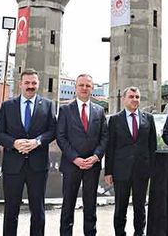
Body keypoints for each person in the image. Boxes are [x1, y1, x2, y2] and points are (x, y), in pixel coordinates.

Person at [0, 68, 57, 236]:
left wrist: (37, 142)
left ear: (38, 84)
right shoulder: (8, 106)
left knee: (38, 210)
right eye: (27, 83)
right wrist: (14, 143)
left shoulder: (48, 105)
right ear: (20, 84)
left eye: (34, 83)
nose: (30, 86)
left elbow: (53, 131)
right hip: (13, 166)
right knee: (11, 210)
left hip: (37, 167)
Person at [56, 74, 108, 236]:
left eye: (88, 85)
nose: (84, 88)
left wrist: (95, 157)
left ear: (92, 88)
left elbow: (104, 137)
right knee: (68, 205)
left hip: (92, 166)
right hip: (72, 165)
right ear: (76, 88)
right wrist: (75, 158)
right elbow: (61, 137)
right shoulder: (65, 110)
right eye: (81, 85)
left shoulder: (99, 111)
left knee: (90, 205)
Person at [104, 87, 157, 236]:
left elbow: (152, 146)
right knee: (120, 207)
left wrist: (153, 169)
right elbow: (110, 147)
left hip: (142, 170)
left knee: (140, 207)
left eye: (137, 97)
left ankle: (139, 233)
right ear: (124, 99)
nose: (135, 100)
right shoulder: (114, 120)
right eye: (131, 96)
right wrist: (108, 171)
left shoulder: (149, 118)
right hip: (121, 170)